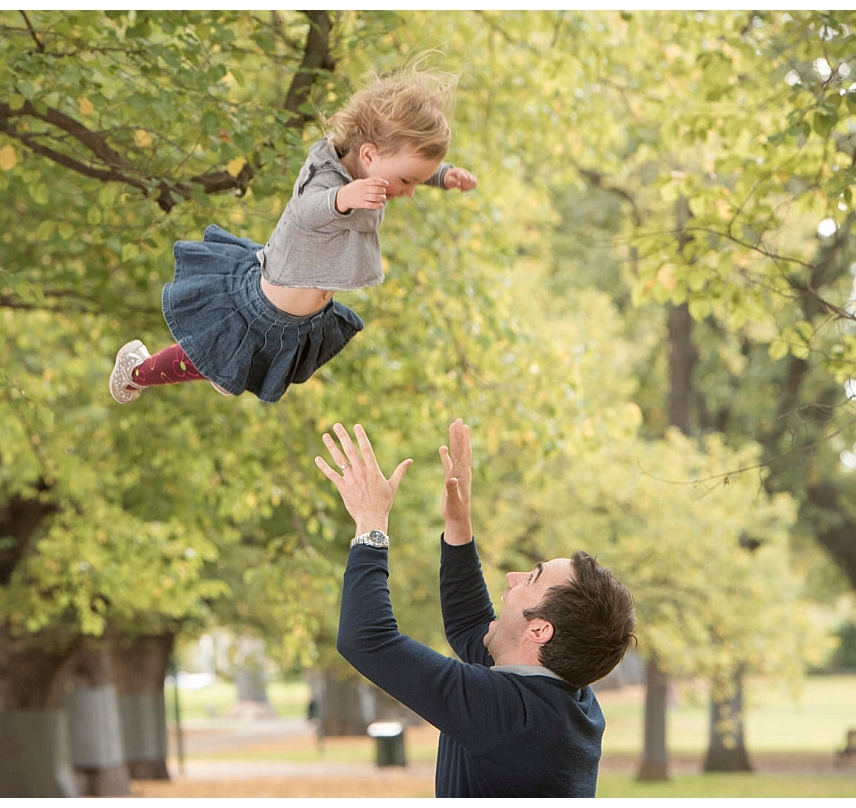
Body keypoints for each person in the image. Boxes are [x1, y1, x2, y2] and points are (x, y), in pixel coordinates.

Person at [109, 64, 477, 404]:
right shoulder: (327, 175)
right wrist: (343, 199)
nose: (409, 191)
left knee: (224, 370)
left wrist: (441, 175)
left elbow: (401, 160)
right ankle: (136, 371)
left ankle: (220, 367)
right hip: (261, 311)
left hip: (299, 322)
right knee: (203, 358)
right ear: (369, 154)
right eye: (407, 181)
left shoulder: (374, 166)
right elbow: (306, 210)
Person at [316, 419, 637, 798]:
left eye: (532, 578)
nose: (512, 577)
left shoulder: (511, 719)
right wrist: (458, 526)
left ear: (540, 630)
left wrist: (371, 523)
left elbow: (366, 639)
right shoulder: (566, 699)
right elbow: (472, 627)